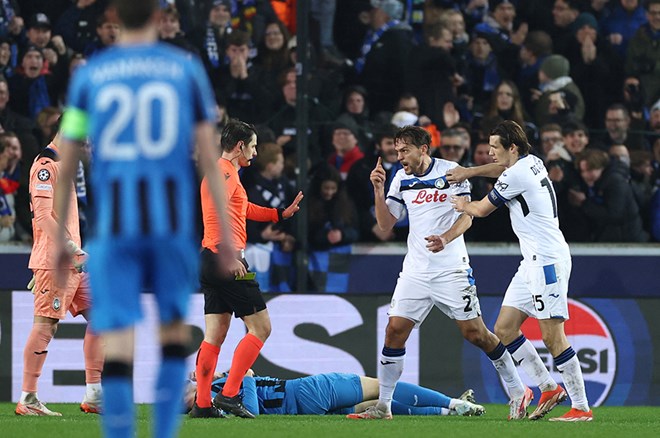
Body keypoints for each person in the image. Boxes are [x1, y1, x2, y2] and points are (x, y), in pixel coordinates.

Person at [54, 1, 234, 437]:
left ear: (114, 18)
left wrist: (61, 237)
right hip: (170, 226)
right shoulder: (185, 69)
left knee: (118, 339)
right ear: (157, 17)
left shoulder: (90, 75)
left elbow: (67, 158)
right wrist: (225, 235)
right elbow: (210, 158)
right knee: (173, 335)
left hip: (114, 229)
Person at [347, 125, 531, 421]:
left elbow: (467, 217)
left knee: (476, 333)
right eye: (396, 151)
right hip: (415, 271)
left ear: (423, 149)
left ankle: (519, 391)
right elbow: (385, 225)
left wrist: (445, 237)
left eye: (405, 150)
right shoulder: (400, 179)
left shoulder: (451, 172)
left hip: (451, 269)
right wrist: (378, 190)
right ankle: (384, 405)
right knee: (395, 331)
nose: (400, 156)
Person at [448, 120, 593, 422]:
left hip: (547, 261)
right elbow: (501, 171)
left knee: (553, 336)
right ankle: (548, 387)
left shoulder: (516, 174)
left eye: (494, 148)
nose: (489, 153)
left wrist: (463, 203)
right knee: (504, 328)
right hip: (532, 261)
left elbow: (481, 210)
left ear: (511, 148)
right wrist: (470, 172)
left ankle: (581, 406)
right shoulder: (531, 162)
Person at [192, 119, 304, 419]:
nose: (255, 152)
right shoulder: (224, 174)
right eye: (253, 146)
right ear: (240, 146)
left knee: (214, 334)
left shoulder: (224, 173)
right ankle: (229, 395)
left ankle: (203, 404)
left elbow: (241, 208)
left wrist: (279, 214)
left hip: (209, 258)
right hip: (226, 258)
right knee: (262, 327)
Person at [16, 127, 104, 417]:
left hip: (72, 262)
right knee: (46, 325)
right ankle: (28, 398)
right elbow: (42, 217)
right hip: (58, 260)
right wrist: (69, 249)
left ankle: (94, 394)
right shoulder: (45, 166)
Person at [184, 369, 485, 417]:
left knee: (378, 405)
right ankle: (452, 402)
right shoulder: (221, 390)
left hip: (303, 411)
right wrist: (244, 375)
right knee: (384, 387)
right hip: (310, 391)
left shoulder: (215, 405)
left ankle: (448, 411)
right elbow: (252, 409)